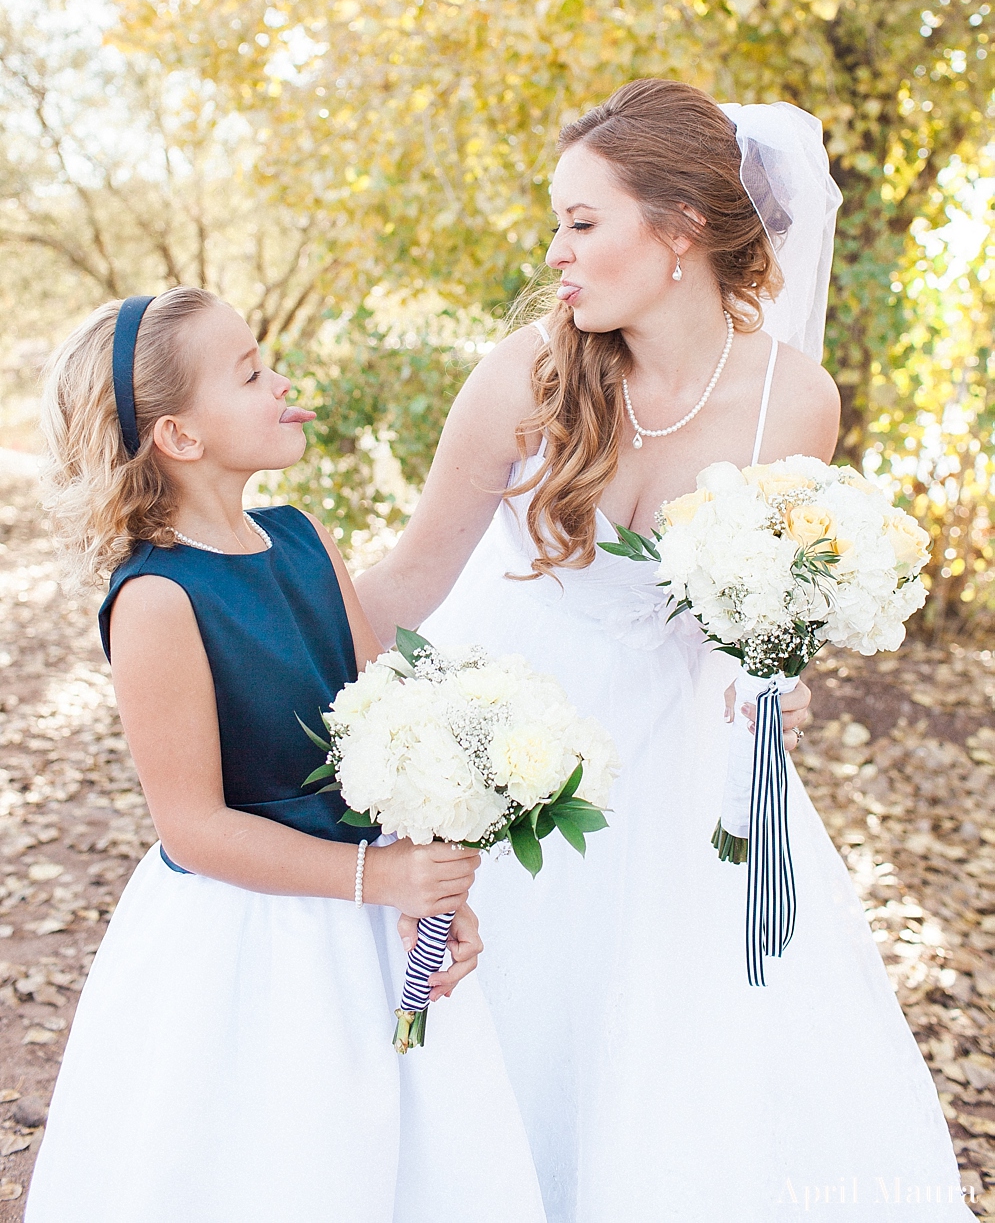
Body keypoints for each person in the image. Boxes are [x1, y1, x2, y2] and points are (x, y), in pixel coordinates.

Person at [356, 81, 972, 1220]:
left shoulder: (790, 401)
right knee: (490, 1039)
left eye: (582, 223)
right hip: (511, 741)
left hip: (676, 770)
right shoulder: (523, 377)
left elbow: (748, 619)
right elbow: (399, 587)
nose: (556, 252)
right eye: (558, 224)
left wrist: (772, 681)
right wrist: (247, 629)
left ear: (679, 229)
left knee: (672, 1064)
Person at [26, 287, 545, 1223]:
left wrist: (436, 887)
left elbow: (385, 724)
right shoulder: (157, 597)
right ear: (181, 437)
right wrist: (378, 879)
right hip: (253, 938)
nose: (285, 383)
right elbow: (193, 828)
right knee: (284, 1163)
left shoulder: (305, 539)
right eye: (252, 372)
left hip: (370, 910)